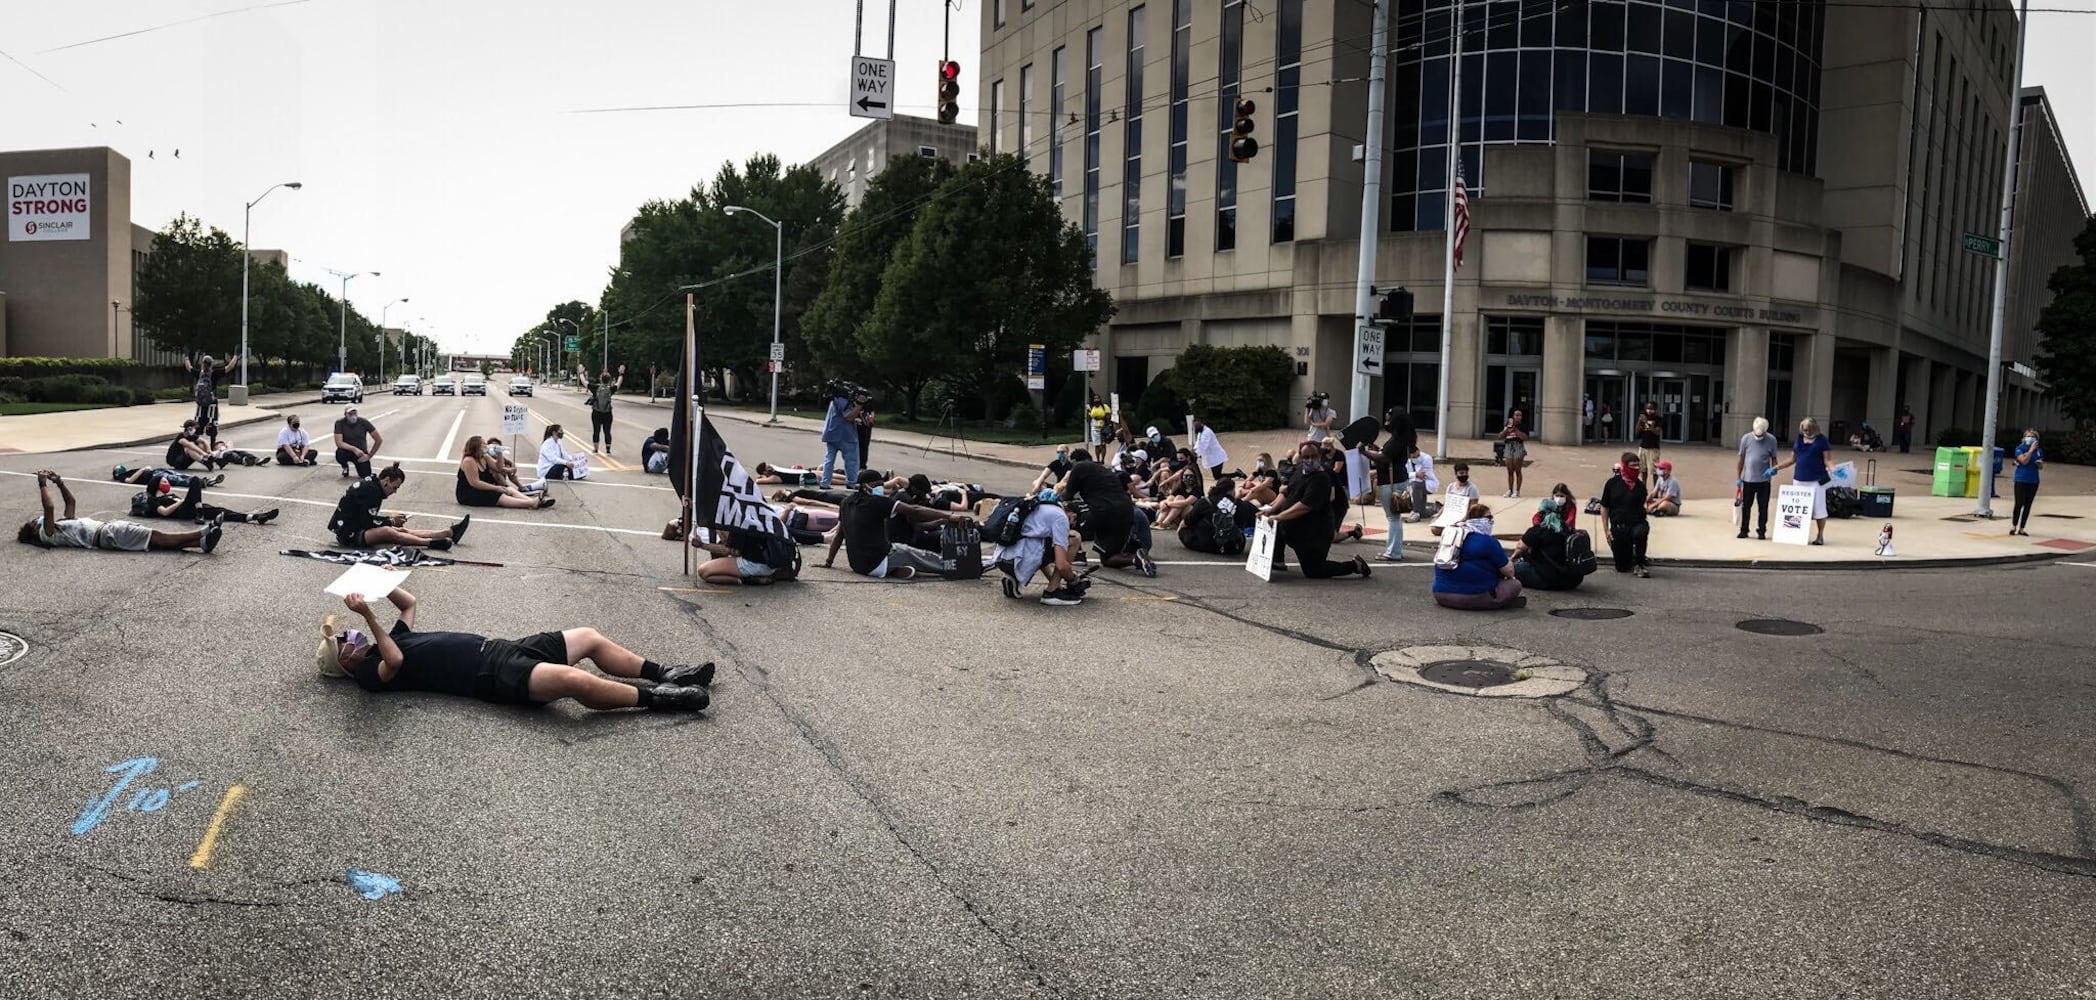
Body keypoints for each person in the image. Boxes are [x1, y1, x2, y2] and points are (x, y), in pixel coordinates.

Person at [316, 588, 712, 712]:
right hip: (490, 675)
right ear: (345, 665)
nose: (351, 637)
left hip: (502, 646)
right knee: (575, 680)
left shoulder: (388, 641)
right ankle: (659, 698)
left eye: (346, 634)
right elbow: (396, 661)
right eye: (344, 644)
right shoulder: (370, 675)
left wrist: (378, 582)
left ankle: (665, 672)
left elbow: (409, 604)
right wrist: (368, 614)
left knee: (588, 636)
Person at [19, 470, 220, 554]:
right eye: (35, 522)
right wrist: (42, 483)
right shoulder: (48, 535)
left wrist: (59, 482)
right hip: (107, 534)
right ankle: (202, 533)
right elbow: (49, 507)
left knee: (155, 541)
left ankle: (200, 543)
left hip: (108, 532)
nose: (39, 519)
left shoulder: (63, 526)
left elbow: (70, 501)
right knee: (156, 536)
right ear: (35, 531)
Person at [822, 469, 970, 580]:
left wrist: (829, 562)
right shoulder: (876, 502)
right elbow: (915, 511)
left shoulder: (846, 503)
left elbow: (839, 535)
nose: (880, 488)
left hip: (858, 566)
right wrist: (949, 517)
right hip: (878, 560)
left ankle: (894, 570)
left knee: (904, 554)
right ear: (865, 486)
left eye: (882, 484)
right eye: (877, 485)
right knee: (915, 554)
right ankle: (956, 567)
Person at [1259, 441, 1371, 581]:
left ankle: (1355, 566)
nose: (1310, 460)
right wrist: (1270, 510)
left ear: (1319, 456)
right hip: (1295, 526)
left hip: (1314, 533)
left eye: (1314, 456)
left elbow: (1304, 506)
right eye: (1306, 457)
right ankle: (1277, 560)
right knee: (1276, 527)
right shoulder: (1300, 470)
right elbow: (1287, 493)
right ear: (1301, 457)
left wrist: (1280, 516)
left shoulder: (1322, 478)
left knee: (1314, 570)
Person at [328, 464, 476, 549]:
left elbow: (366, 518)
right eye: (394, 487)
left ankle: (447, 532)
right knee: (388, 531)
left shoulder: (373, 484)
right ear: (386, 480)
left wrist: (391, 521)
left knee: (400, 530)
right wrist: (391, 521)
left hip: (355, 527)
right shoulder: (371, 491)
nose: (395, 492)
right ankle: (431, 543)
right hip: (349, 534)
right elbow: (367, 521)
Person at [1059, 448, 1156, 577]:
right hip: (1126, 510)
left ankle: (1078, 555)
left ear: (1075, 461)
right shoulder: (1105, 470)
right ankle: (1136, 558)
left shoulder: (1079, 467)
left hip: (1103, 510)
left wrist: (1054, 496)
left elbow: (1067, 495)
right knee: (1108, 559)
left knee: (1067, 511)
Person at [991, 489, 1087, 605]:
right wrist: (1073, 579)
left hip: (1002, 559)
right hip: (1023, 557)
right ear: (1073, 516)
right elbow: (1061, 565)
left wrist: (1054, 580)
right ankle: (1052, 593)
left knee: (1043, 544)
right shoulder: (1060, 517)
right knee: (1074, 538)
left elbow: (1043, 552)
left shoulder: (1037, 508)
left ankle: (1014, 577)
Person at [1430, 503, 1523, 609]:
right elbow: (1509, 571)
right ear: (1482, 520)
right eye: (1489, 517)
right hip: (1473, 596)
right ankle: (1497, 600)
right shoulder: (1488, 541)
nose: (1491, 521)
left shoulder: (1450, 535)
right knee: (1515, 584)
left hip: (1440, 594)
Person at [1769, 417, 1833, 545]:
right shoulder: (1799, 439)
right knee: (1798, 508)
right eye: (1804, 430)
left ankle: (1820, 535)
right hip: (1800, 478)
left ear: (1814, 428)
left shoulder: (1822, 440)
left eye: (1809, 430)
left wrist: (1834, 468)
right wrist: (1777, 467)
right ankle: (1796, 533)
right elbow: (1792, 459)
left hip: (1816, 479)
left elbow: (1827, 459)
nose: (1806, 432)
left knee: (1819, 509)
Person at [132, 474, 278, 525]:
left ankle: (254, 517)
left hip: (190, 508)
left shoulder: (171, 495)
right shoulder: (153, 499)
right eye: (164, 481)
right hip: (182, 512)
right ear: (157, 484)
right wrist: (181, 502)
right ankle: (199, 512)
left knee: (220, 512)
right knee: (195, 480)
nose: (167, 484)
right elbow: (164, 512)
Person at [458, 437, 555, 509]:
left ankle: (533, 501)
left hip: (481, 489)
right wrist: (496, 488)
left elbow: (499, 468)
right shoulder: (469, 461)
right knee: (499, 496)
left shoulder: (484, 457)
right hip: (469, 492)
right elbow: (475, 483)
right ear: (476, 446)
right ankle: (531, 503)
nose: (486, 446)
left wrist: (499, 452)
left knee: (509, 489)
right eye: (483, 444)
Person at [1512, 496, 1581, 591]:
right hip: (1572, 580)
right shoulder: (1567, 528)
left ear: (1540, 514)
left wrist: (1511, 560)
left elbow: (1520, 547)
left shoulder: (1539, 530)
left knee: (1512, 569)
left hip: (1549, 579)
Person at [1599, 452, 1652, 576]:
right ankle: (1629, 554)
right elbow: (1604, 507)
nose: (1636, 469)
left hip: (1636, 523)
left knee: (1640, 532)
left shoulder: (1640, 487)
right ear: (1624, 466)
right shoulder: (1612, 484)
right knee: (1622, 567)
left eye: (1638, 466)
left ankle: (1639, 562)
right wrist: (1606, 530)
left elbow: (1644, 506)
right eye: (1632, 466)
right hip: (1619, 527)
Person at [1735, 416, 1779, 540]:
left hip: (1764, 481)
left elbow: (1774, 458)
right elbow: (1741, 459)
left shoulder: (1771, 440)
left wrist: (1774, 469)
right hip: (1748, 479)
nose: (1758, 437)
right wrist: (1739, 477)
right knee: (1746, 506)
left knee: (1763, 507)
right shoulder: (1746, 438)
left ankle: (1762, 530)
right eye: (1757, 435)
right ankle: (1744, 529)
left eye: (1761, 435)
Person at [820, 385, 863, 489]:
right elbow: (848, 416)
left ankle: (825, 482)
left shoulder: (834, 400)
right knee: (852, 460)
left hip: (831, 433)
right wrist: (859, 405)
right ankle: (852, 482)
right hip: (845, 435)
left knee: (829, 459)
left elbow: (840, 416)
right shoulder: (843, 400)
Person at [184, 352, 238, 431]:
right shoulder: (215, 373)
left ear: (202, 363)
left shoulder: (199, 373)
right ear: (211, 364)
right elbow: (230, 367)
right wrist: (236, 355)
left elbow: (189, 367)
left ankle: (198, 428)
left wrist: (186, 357)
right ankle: (212, 425)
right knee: (213, 416)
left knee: (199, 418)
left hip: (200, 401)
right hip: (211, 401)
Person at [582, 365, 625, 454]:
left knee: (596, 430)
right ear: (609, 380)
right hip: (607, 413)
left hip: (596, 412)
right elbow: (619, 383)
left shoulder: (595, 388)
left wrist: (581, 373)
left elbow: (584, 382)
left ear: (601, 379)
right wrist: (621, 373)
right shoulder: (610, 389)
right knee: (607, 431)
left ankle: (596, 448)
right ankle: (608, 448)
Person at [2010, 428, 2044, 536]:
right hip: (2021, 479)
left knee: (2028, 505)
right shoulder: (2020, 448)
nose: (2030, 438)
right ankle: (2014, 525)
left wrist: (2039, 464)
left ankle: (2022, 528)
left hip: (2033, 480)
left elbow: (2041, 465)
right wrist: (2030, 451)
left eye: (2032, 437)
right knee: (2019, 503)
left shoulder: (2039, 451)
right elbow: (2024, 461)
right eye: (2028, 436)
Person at [333, 406, 383, 480]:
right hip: (347, 451)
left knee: (365, 475)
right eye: (350, 414)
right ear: (345, 414)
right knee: (339, 453)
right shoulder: (340, 423)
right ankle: (345, 466)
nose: (353, 416)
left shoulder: (363, 422)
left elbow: (378, 439)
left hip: (361, 453)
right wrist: (354, 449)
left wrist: (369, 455)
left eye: (354, 413)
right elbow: (339, 443)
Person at [1402, 444, 1440, 523]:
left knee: (1416, 484)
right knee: (1422, 512)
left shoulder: (1427, 458)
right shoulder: (1407, 460)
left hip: (1428, 483)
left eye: (1417, 456)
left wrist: (1412, 475)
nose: (1416, 458)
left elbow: (1423, 475)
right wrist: (1415, 474)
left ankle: (1416, 512)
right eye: (1414, 457)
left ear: (1418, 451)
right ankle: (1435, 508)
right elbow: (1404, 474)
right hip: (1414, 484)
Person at [112, 464, 221, 490]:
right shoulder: (123, 476)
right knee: (176, 479)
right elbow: (130, 481)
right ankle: (200, 483)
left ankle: (205, 480)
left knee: (180, 475)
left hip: (156, 472)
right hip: (152, 477)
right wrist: (143, 469)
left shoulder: (128, 471)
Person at [1500, 409, 1530, 498]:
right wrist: (1507, 429)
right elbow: (1500, 436)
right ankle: (1510, 490)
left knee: (1518, 470)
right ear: (1513, 416)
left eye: (1519, 415)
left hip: (1518, 446)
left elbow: (1525, 438)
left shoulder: (1524, 426)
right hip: (1508, 446)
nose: (1518, 417)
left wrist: (1515, 430)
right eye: (1516, 415)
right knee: (1509, 470)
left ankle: (1517, 491)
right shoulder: (1508, 425)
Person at [1635, 404, 1663, 487]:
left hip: (1653, 447)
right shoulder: (1642, 419)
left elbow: (1657, 432)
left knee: (1654, 470)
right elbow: (1637, 433)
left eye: (1651, 409)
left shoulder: (1658, 419)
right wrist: (1640, 422)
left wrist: (1647, 422)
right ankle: (1644, 487)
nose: (1649, 411)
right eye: (1647, 409)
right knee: (1643, 469)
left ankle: (1656, 489)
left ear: (1655, 410)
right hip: (1643, 447)